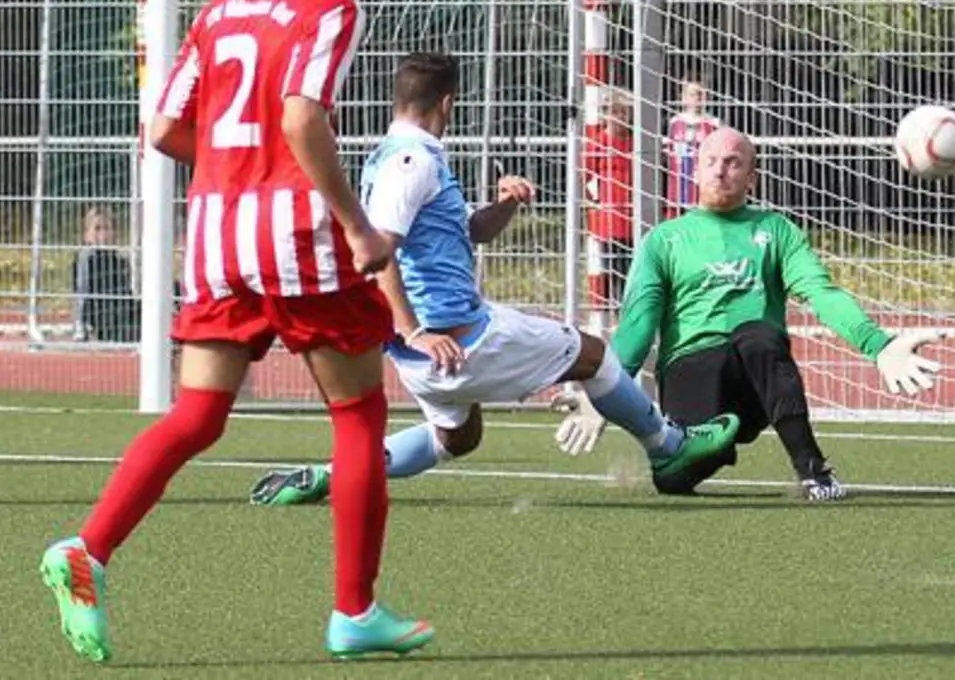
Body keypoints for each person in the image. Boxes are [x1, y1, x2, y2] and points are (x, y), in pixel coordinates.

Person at [37, 0, 432, 664]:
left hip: (216, 234)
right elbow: (299, 119)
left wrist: (228, 174)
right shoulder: (329, 10)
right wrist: (356, 226)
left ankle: (89, 549)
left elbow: (162, 129)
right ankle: (353, 611)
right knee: (357, 413)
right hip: (292, 237)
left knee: (197, 416)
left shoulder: (219, 11)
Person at [247, 53, 741, 507]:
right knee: (592, 354)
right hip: (456, 339)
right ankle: (669, 449)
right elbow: (377, 253)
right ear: (448, 102)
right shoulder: (410, 161)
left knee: (458, 437)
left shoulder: (402, 155)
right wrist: (414, 328)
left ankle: (334, 474)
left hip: (429, 353)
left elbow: (471, 229)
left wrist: (504, 204)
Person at [553, 128, 942, 501]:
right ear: (696, 170)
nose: (720, 169)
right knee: (680, 476)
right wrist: (603, 393)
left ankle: (813, 472)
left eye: (733, 162)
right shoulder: (664, 240)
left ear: (751, 178)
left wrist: (879, 346)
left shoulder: (777, 230)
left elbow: (822, 293)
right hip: (692, 369)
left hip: (756, 379)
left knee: (759, 334)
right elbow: (638, 326)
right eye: (711, 161)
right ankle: (682, 458)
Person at [585, 89, 636, 308]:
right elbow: (583, 177)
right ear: (606, 115)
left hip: (634, 219)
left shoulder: (636, 143)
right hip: (609, 221)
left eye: (624, 113)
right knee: (612, 270)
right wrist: (592, 201)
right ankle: (612, 314)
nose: (619, 118)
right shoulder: (598, 143)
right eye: (615, 113)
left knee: (633, 270)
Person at [71, 205, 140, 343]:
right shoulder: (85, 259)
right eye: (97, 228)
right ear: (86, 234)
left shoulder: (120, 260)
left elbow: (127, 295)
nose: (103, 234)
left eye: (107, 228)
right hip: (104, 320)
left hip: (124, 314)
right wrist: (81, 327)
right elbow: (81, 294)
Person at [665, 76, 720, 217]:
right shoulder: (675, 122)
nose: (697, 99)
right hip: (679, 174)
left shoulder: (713, 123)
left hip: (701, 176)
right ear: (683, 97)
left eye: (701, 94)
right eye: (692, 94)